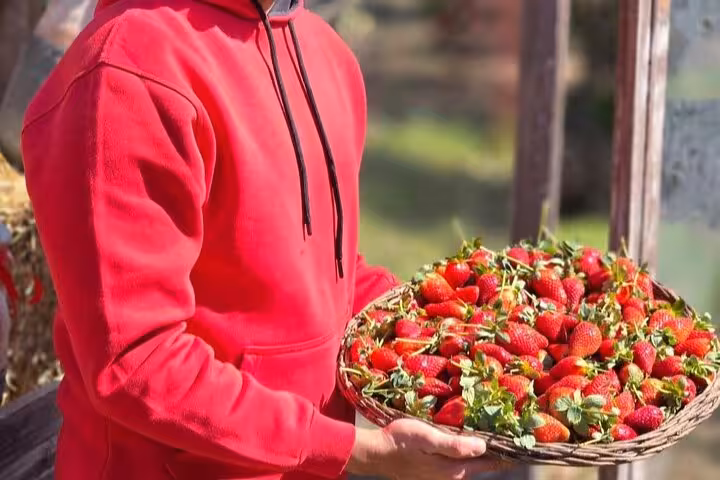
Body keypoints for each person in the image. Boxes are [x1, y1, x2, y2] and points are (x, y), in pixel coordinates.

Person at [21, 1, 503, 479]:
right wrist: (353, 448)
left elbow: (326, 273)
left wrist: (464, 338)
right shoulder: (128, 69)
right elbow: (136, 360)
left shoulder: (325, 54)